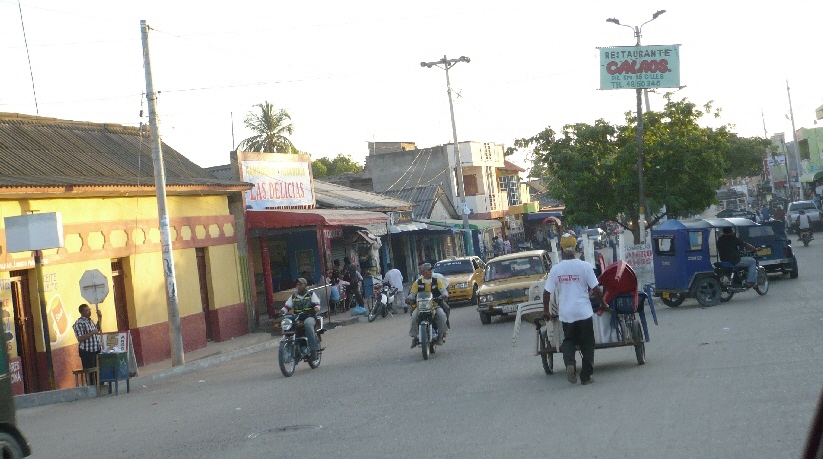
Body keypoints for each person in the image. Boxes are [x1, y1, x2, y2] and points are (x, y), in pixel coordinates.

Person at [543, 247, 604, 385]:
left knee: (569, 341)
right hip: (583, 312)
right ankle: (586, 376)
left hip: (566, 313)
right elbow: (596, 289)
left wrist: (546, 311)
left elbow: (547, 292)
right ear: (575, 249)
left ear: (562, 250)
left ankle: (570, 363)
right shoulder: (585, 266)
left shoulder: (556, 269)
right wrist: (603, 303)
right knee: (587, 342)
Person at [406, 263, 449, 347]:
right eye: (428, 270)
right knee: (414, 317)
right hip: (421, 307)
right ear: (423, 272)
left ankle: (441, 335)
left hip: (435, 306)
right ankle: (414, 337)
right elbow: (413, 294)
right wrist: (409, 298)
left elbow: (443, 290)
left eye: (431, 270)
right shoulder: (417, 283)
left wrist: (444, 294)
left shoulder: (437, 281)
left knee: (442, 315)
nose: (430, 271)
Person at [280, 278, 321, 360]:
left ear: (305, 285)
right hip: (297, 317)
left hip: (309, 317)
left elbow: (317, 305)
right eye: (297, 284)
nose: (299, 286)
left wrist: (315, 309)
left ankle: (313, 350)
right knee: (288, 325)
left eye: (301, 284)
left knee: (307, 324)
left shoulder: (311, 294)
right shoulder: (294, 296)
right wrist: (281, 312)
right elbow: (287, 307)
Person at [72, 304, 102, 383]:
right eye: (87, 310)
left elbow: (97, 329)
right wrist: (92, 332)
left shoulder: (90, 321)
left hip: (96, 349)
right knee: (90, 372)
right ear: (81, 312)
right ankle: (91, 386)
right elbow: (80, 338)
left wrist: (100, 318)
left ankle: (99, 385)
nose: (89, 312)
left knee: (98, 370)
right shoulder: (79, 323)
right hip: (87, 351)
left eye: (89, 310)